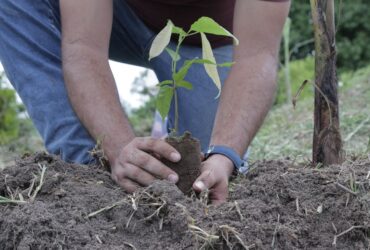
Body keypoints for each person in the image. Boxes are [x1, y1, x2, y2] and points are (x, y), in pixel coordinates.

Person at [0, 0, 290, 204]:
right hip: (117, 14)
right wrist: (116, 146)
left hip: (205, 40)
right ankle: (88, 170)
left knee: (196, 174)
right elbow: (83, 47)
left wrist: (226, 153)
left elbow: (258, 55)